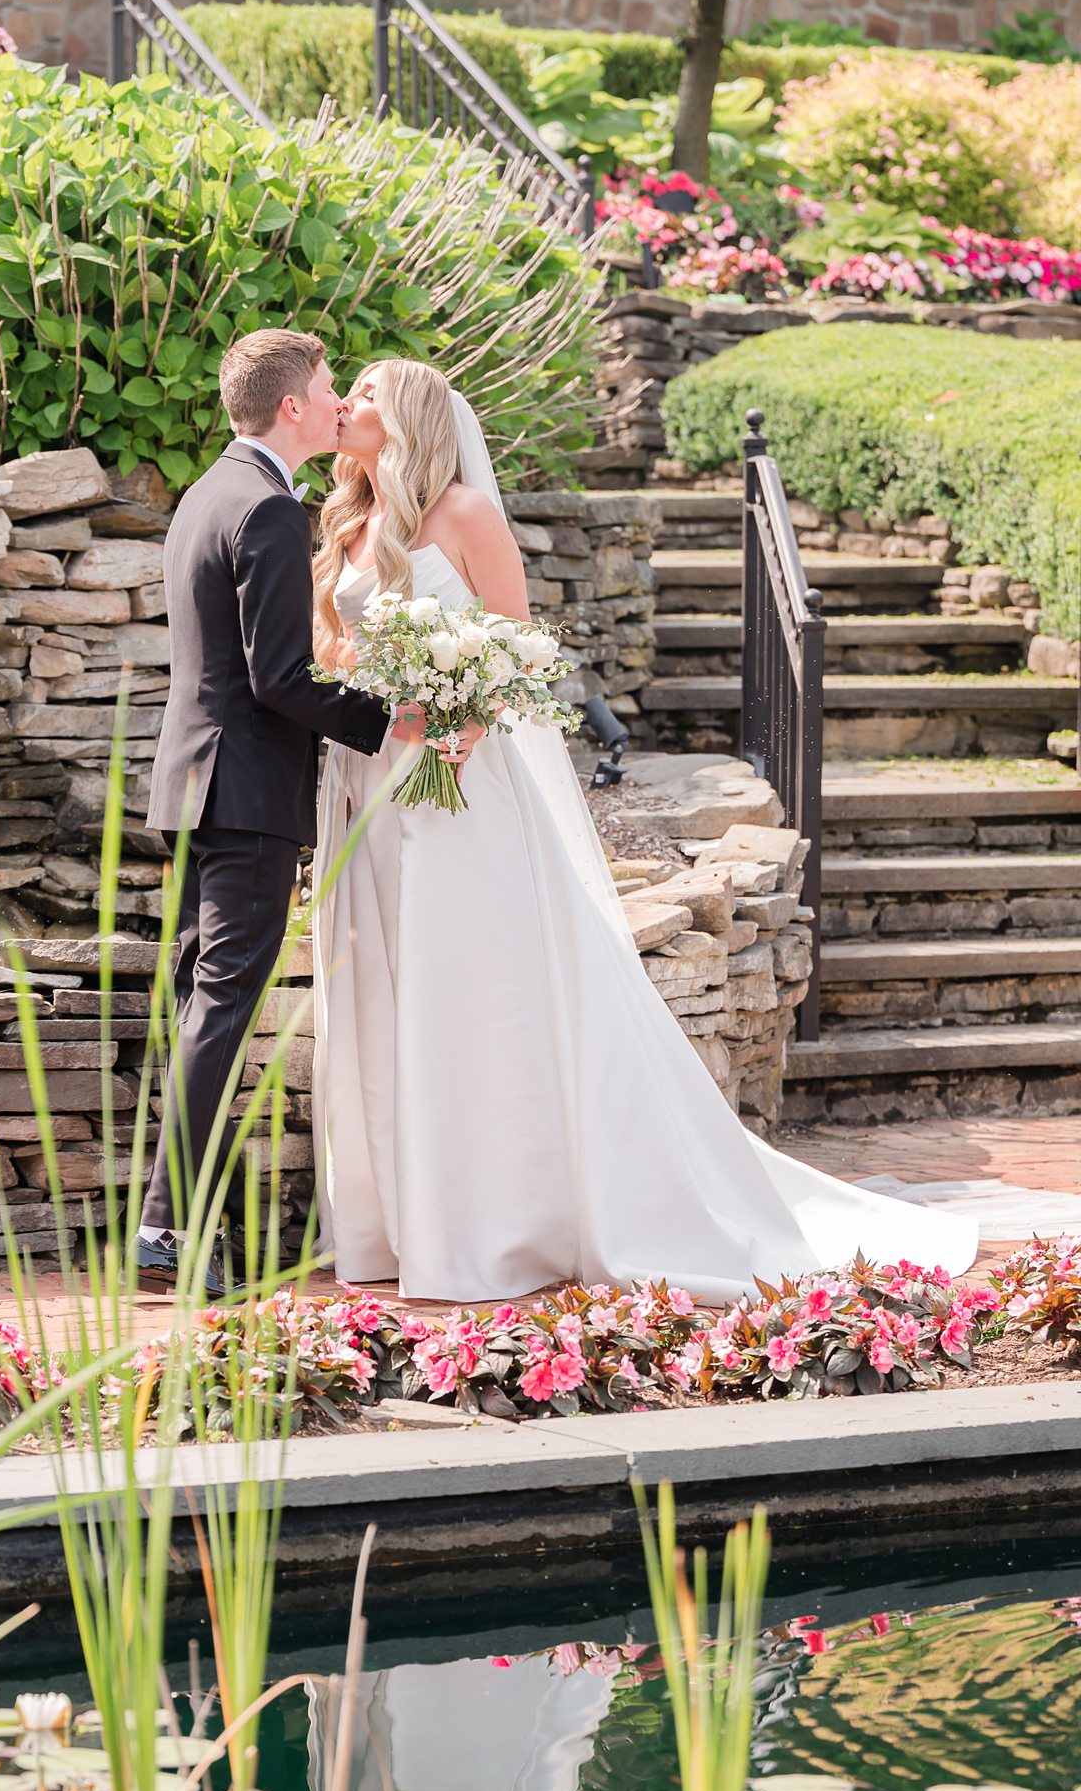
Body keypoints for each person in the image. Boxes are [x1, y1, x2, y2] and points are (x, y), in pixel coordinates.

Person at [310, 358, 977, 1304]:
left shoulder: (462, 513)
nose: (351, 404)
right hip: (377, 783)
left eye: (369, 392)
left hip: (463, 784)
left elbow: (517, 647)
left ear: (411, 415)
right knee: (395, 988)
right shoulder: (349, 522)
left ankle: (498, 1224)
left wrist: (459, 715)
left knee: (471, 987)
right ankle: (408, 1219)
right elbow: (333, 653)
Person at [140, 328, 425, 1291]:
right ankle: (167, 1235)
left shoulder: (208, 493)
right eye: (328, 383)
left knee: (198, 1006)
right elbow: (278, 679)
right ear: (292, 406)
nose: (339, 395)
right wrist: (391, 717)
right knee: (220, 1009)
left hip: (192, 784)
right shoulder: (264, 507)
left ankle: (175, 1228)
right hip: (248, 792)